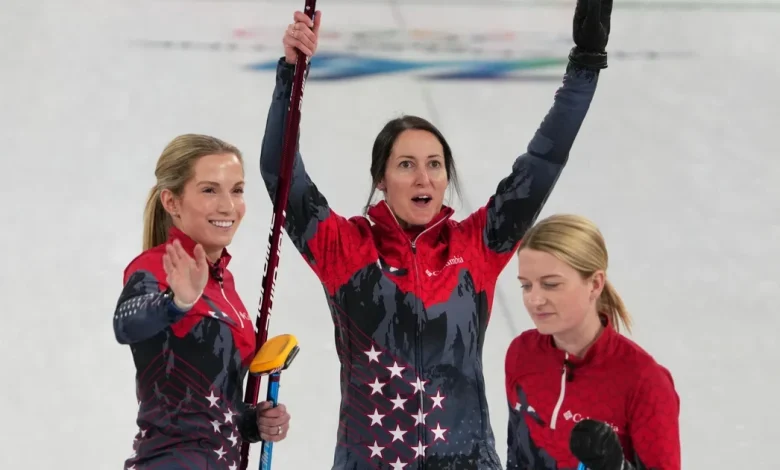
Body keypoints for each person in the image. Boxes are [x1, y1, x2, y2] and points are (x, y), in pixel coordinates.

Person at [260, 0, 611, 466]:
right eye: (406, 165)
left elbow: (542, 163)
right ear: (380, 179)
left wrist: (584, 66)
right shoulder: (346, 248)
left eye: (434, 165)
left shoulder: (477, 245)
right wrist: (291, 73)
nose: (424, 178)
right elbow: (281, 173)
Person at [113, 134, 292, 470]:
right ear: (172, 201)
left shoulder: (225, 285)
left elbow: (209, 403)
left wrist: (252, 421)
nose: (228, 205)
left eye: (237, 190)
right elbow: (126, 323)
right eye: (210, 190)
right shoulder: (158, 267)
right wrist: (174, 302)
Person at [505, 214, 681, 470]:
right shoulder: (521, 354)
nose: (534, 299)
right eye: (526, 286)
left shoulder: (645, 382)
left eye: (551, 284)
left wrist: (618, 467)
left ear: (595, 284)